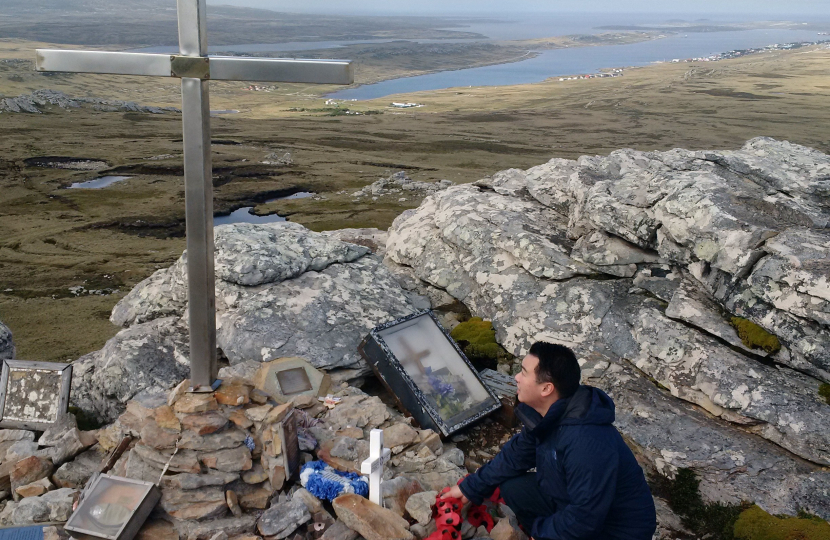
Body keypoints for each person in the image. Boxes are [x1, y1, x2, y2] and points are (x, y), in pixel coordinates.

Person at [441, 342, 656, 540]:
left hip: (617, 530)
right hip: (574, 500)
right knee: (514, 489)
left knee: (564, 527)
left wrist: (544, 534)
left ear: (546, 388)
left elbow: (586, 517)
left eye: (524, 373)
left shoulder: (586, 442)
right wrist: (471, 488)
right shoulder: (546, 413)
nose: (516, 377)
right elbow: (516, 455)